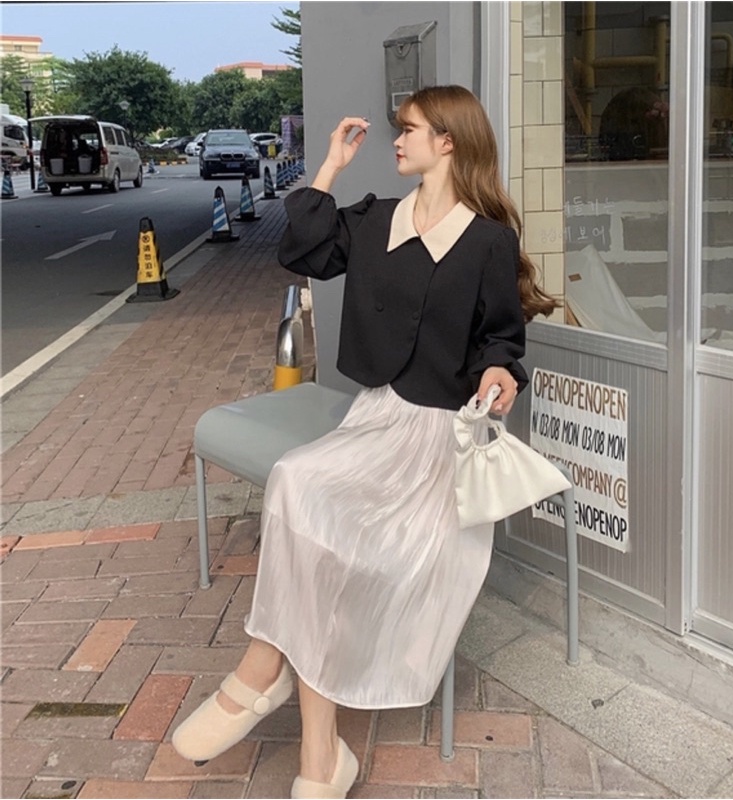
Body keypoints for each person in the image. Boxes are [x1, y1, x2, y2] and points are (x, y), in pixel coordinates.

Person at [172, 85, 558, 799]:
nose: (397, 141)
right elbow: (303, 250)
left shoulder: (488, 241)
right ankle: (307, 734)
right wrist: (328, 167)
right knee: (297, 482)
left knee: (332, 536)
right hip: (378, 418)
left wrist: (500, 372)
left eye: (409, 130)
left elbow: (502, 337)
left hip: (436, 435)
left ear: (448, 141)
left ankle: (277, 696)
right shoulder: (379, 219)